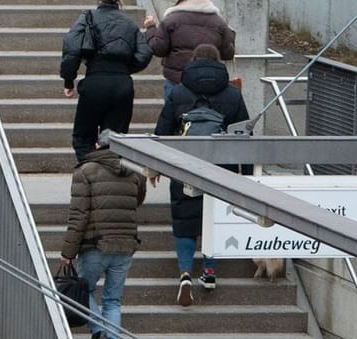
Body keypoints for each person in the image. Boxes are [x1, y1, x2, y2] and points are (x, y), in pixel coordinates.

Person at [152, 44, 250, 303]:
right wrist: (247, 175)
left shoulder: (179, 91)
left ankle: (185, 272)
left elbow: (162, 131)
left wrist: (155, 166)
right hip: (221, 168)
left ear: (193, 61)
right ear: (219, 63)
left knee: (185, 219)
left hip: (184, 165)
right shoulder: (232, 94)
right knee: (214, 218)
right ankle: (209, 270)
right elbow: (244, 136)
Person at [59, 134, 147, 339]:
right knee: (113, 300)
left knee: (83, 289)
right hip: (125, 244)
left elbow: (79, 215)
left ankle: (98, 328)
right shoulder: (136, 173)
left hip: (95, 245)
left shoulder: (85, 171)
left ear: (97, 145)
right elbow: (137, 201)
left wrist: (68, 251)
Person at [61, 0, 154, 162]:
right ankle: (109, 169)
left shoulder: (88, 17)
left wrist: (69, 79)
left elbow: (71, 47)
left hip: (95, 80)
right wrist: (124, 69)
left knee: (83, 137)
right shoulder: (129, 22)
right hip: (122, 84)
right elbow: (145, 52)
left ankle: (88, 169)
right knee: (114, 139)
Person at [143, 0, 236, 97]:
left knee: (175, 106)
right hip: (209, 82)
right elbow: (228, 53)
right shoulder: (219, 22)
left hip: (176, 81)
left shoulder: (171, 20)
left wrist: (151, 29)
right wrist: (231, 35)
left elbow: (158, 49)